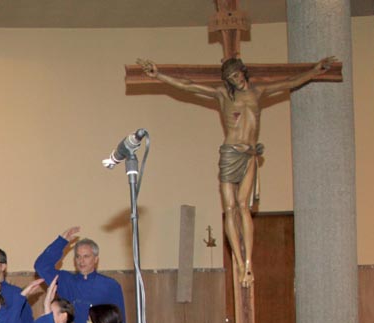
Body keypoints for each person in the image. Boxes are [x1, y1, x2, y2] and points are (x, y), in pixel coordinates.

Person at [139, 56, 337, 287]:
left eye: (237, 74)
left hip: (249, 154)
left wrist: (314, 71)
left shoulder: (258, 91)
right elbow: (189, 85)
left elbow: (289, 82)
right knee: (230, 208)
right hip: (230, 153)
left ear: (243, 71)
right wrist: (159, 75)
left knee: (244, 207)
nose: (235, 80)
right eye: (231, 78)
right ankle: (240, 263)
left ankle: (248, 264)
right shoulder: (223, 95)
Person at [33, 227, 125, 323]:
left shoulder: (110, 285)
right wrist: (61, 242)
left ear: (96, 259)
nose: (81, 261)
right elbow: (41, 266)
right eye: (78, 256)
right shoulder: (66, 281)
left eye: (86, 256)